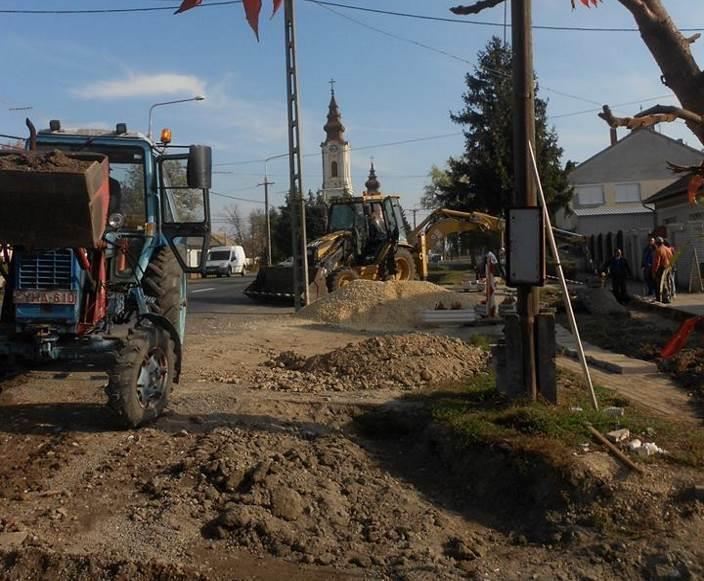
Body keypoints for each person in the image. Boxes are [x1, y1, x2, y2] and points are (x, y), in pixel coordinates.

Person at [652, 237, 673, 303]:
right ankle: (669, 296)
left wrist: (654, 271)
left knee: (662, 283)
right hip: (669, 267)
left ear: (657, 243)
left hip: (662, 268)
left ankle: (665, 298)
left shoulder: (658, 250)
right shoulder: (668, 249)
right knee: (668, 282)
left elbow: (656, 263)